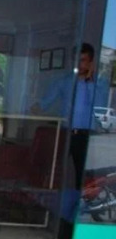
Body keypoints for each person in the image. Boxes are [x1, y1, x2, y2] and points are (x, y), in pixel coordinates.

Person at [34, 43, 109, 188]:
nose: (79, 64)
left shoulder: (100, 83)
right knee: (56, 172)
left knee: (83, 175)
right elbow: (45, 103)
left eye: (83, 60)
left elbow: (100, 107)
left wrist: (89, 81)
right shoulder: (64, 81)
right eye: (76, 60)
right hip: (65, 133)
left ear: (91, 62)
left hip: (87, 136)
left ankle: (80, 199)